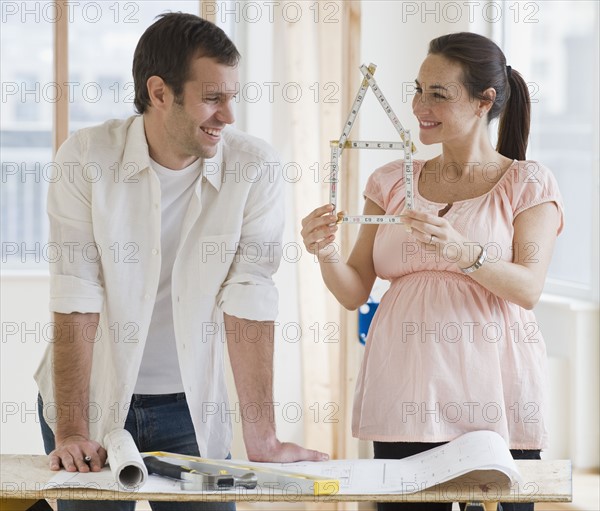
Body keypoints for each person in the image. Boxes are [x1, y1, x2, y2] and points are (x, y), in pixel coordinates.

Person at [35, 12, 327, 511]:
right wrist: (72, 430)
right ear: (159, 92)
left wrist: (263, 437)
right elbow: (76, 291)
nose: (228, 116)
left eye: (233, 97)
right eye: (213, 98)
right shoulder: (86, 157)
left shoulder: (254, 168)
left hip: (191, 406)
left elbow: (250, 294)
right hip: (92, 397)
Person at [301, 32, 563, 511]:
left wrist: (465, 252)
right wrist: (325, 253)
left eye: (438, 94)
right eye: (418, 89)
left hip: (496, 389)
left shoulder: (527, 182)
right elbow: (354, 290)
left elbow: (528, 289)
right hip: (406, 390)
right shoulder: (390, 180)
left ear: (485, 101)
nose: (420, 104)